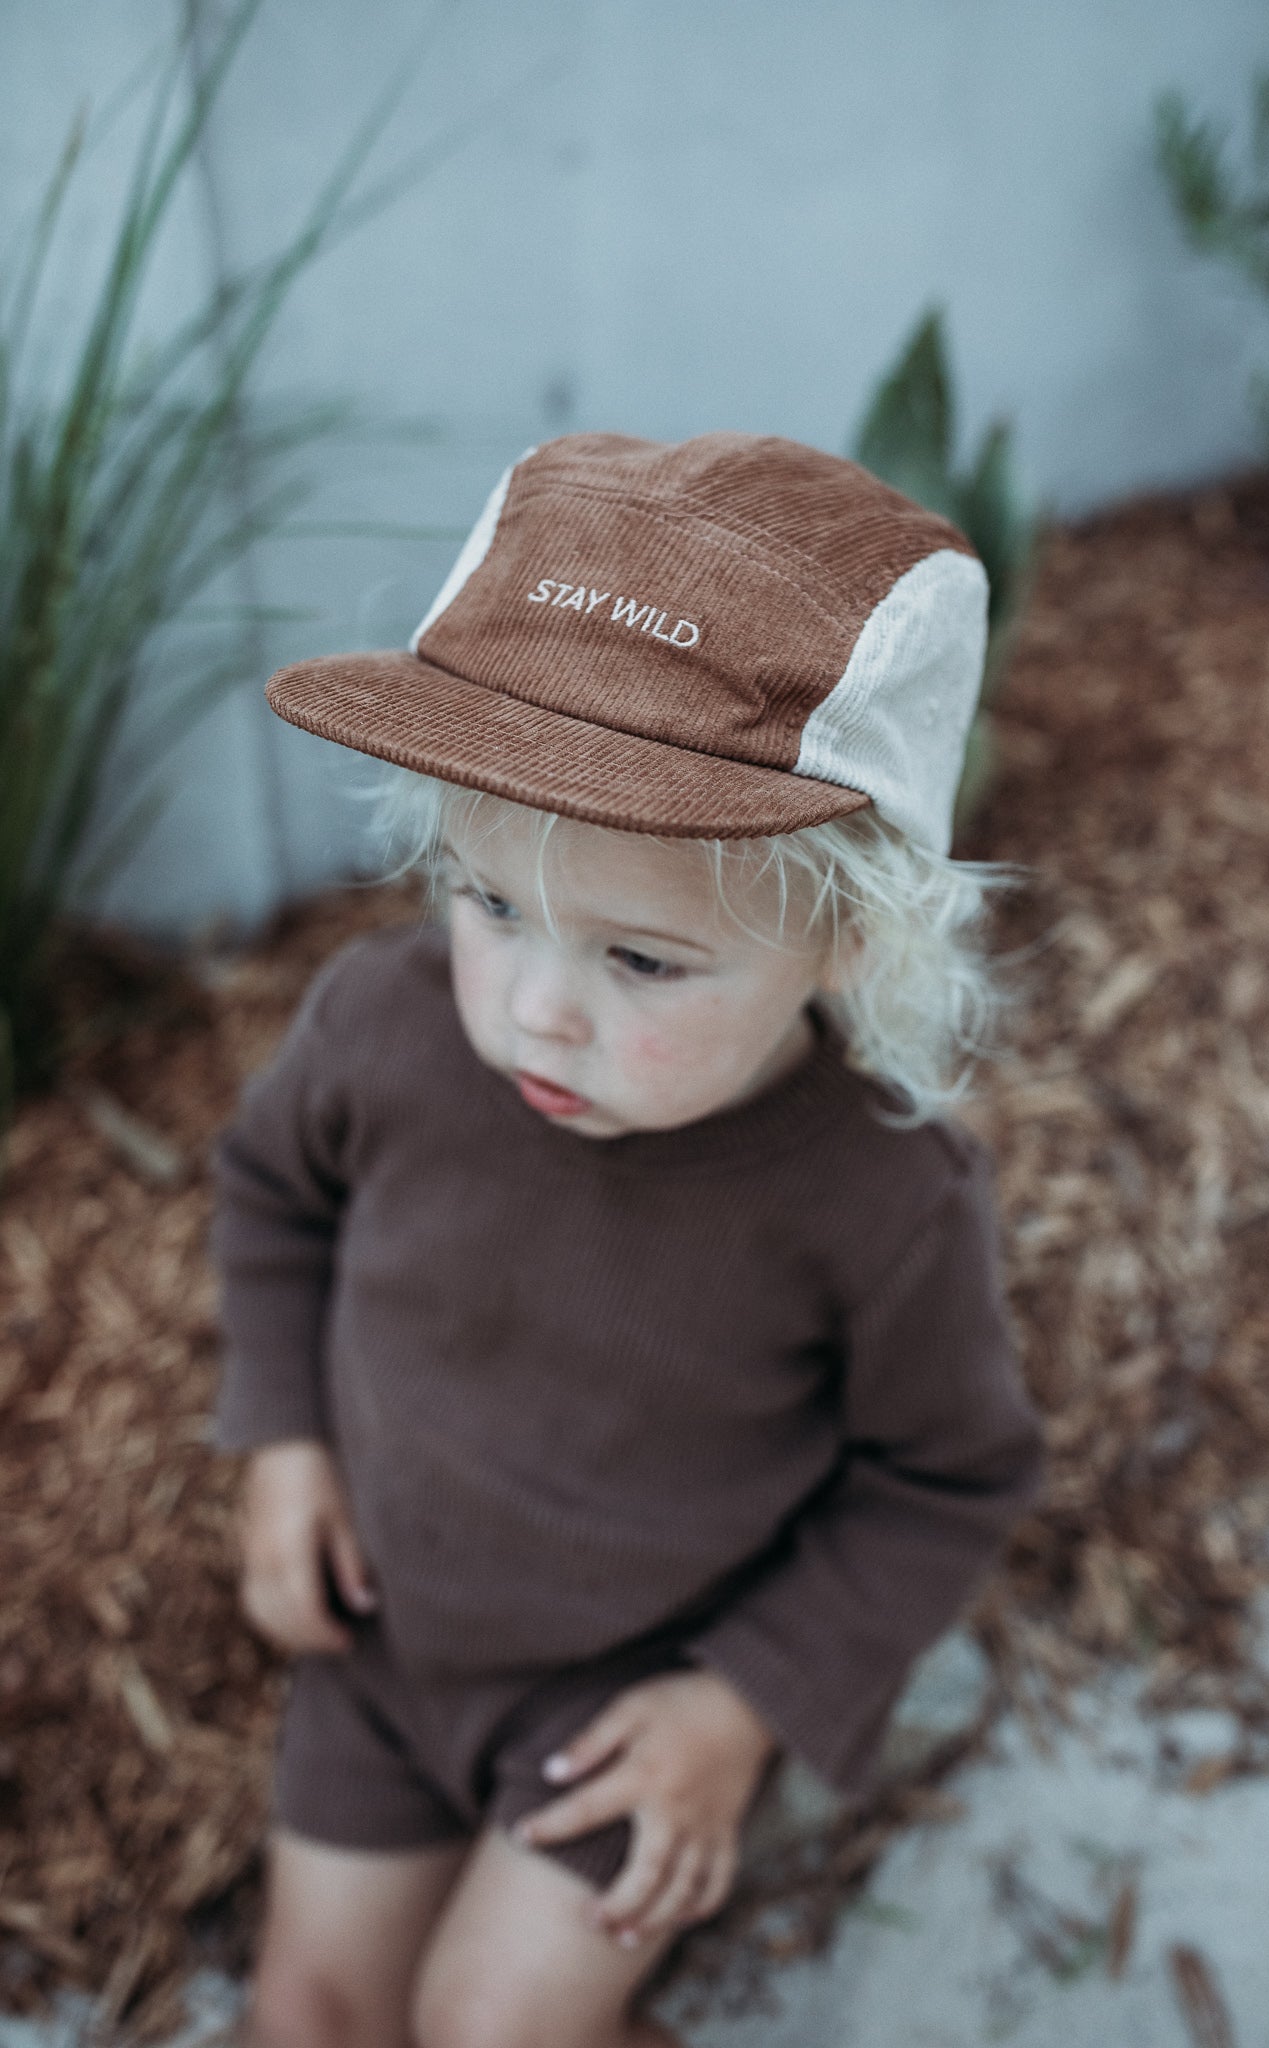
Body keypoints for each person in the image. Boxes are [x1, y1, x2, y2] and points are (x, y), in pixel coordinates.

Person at [211, 431, 1044, 2048]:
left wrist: (740, 1707)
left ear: (844, 941)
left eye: (643, 964)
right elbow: (271, 1198)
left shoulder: (874, 1197)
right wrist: (284, 1440)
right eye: (493, 905)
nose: (537, 1008)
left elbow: (947, 1479)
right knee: (307, 2010)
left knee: (490, 2023)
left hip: (629, 1699)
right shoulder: (380, 1032)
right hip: (388, 1647)